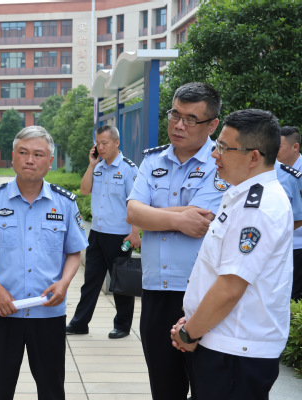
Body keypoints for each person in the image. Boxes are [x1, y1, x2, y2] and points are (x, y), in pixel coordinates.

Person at [171, 109, 292, 399]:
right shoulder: (242, 195)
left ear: (254, 157)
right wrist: (194, 322)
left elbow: (230, 288)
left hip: (235, 353)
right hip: (221, 342)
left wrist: (189, 333)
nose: (215, 154)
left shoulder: (258, 208)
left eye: (224, 148)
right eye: (217, 146)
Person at [0, 126, 88, 400]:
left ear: (50, 161)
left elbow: (74, 252)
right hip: (3, 312)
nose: (30, 160)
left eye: (38, 154)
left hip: (48, 313)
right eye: (23, 152)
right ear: (13, 157)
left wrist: (64, 283)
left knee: (52, 389)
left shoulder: (65, 203)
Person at [126, 82, 226, 399]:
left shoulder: (221, 164)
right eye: (175, 114)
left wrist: (152, 215)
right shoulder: (152, 161)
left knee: (207, 386)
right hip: (156, 289)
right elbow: (132, 212)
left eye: (191, 119)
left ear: (212, 125)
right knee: (164, 386)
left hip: (202, 294)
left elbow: (202, 220)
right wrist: (179, 218)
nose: (179, 125)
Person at [66, 125, 140, 339]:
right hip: (97, 234)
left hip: (119, 235)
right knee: (91, 280)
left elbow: (136, 202)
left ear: (117, 143)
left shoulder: (129, 169)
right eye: (98, 143)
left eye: (104, 143)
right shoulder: (98, 167)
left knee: (120, 282)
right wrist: (91, 165)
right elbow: (84, 190)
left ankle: (123, 325)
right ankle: (80, 323)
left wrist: (135, 232)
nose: (100, 147)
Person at [277, 126, 302, 300]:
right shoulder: (272, 169)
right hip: (278, 247)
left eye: (279, 147)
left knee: (294, 297)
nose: (274, 151)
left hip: (298, 245)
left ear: (295, 147)